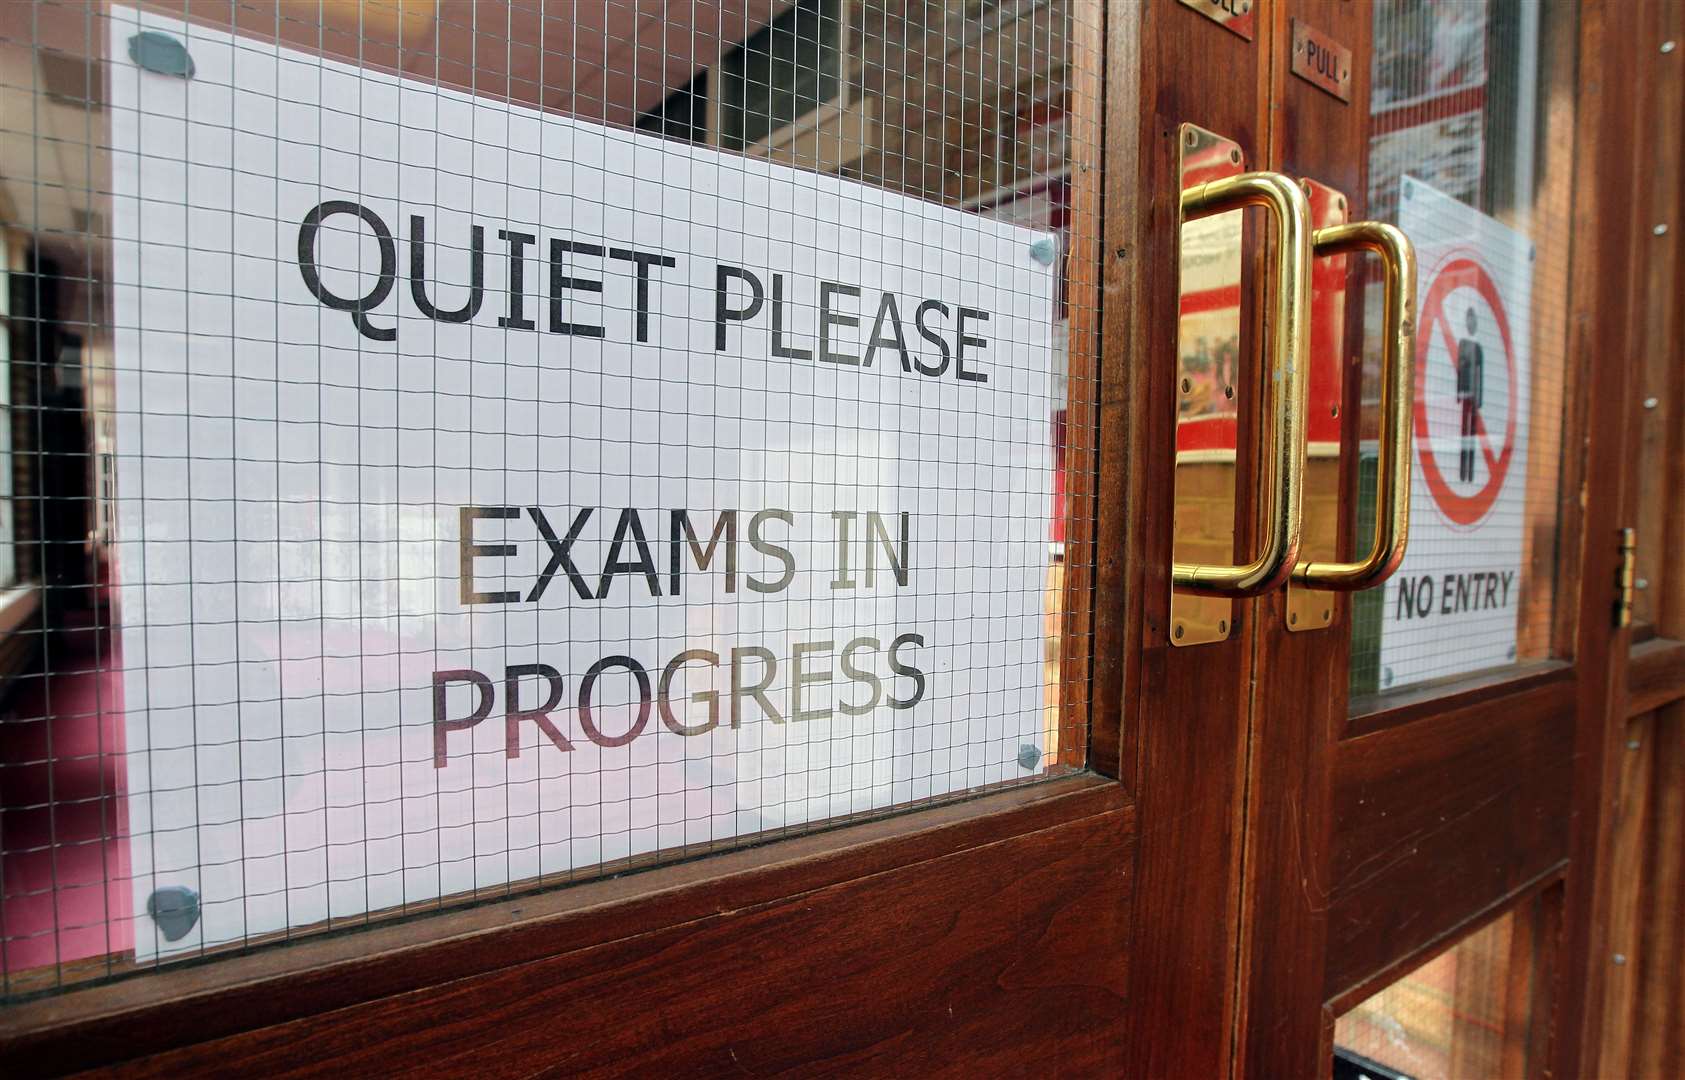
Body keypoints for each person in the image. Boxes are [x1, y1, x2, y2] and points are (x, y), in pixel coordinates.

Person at [1456, 306, 1485, 483]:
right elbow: (1460, 369)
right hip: (1466, 394)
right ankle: (1462, 473)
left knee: (1472, 435)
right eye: (1468, 318)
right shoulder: (1462, 344)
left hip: (1474, 396)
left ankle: (1470, 474)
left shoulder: (1478, 347)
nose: (1470, 322)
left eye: (1472, 319)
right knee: (1463, 434)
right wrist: (1458, 393)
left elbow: (1481, 373)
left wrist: (1479, 398)